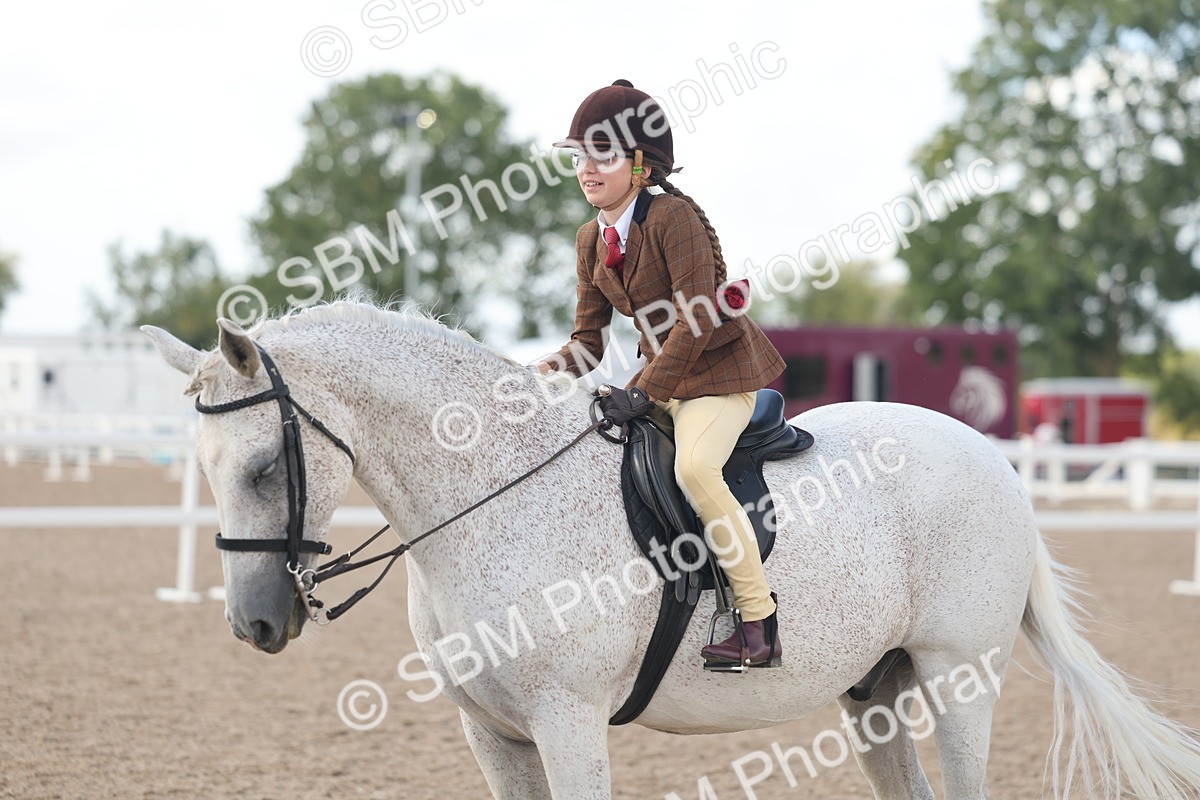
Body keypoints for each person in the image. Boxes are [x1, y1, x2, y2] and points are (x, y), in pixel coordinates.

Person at [535, 80, 788, 669]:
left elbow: (697, 320)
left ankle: (759, 622)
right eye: (580, 157)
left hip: (718, 376)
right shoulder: (589, 239)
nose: (586, 169)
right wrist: (531, 378)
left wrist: (644, 391)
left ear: (640, 166)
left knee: (695, 468)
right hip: (663, 380)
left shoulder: (674, 218)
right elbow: (586, 345)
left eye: (602, 156)